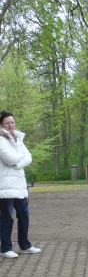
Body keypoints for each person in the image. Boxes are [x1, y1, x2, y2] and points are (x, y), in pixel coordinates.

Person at [0, 111, 41, 259]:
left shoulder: (17, 138)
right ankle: (5, 248)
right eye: (7, 123)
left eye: (12, 122)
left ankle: (25, 245)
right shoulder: (1, 139)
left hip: (19, 184)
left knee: (24, 215)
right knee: (6, 217)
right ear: (1, 124)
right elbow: (8, 158)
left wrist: (18, 164)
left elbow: (28, 157)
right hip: (5, 186)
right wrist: (19, 159)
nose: (11, 125)